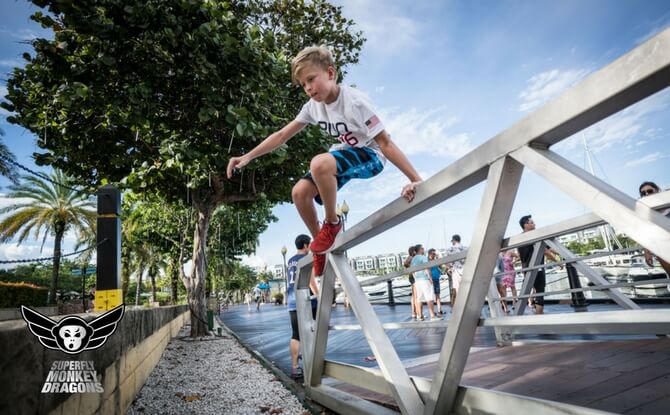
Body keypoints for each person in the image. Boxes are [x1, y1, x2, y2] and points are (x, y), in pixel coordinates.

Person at [227, 45, 422, 282]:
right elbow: (281, 136)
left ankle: (332, 222)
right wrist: (247, 156)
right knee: (299, 193)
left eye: (311, 79)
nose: (308, 88)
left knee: (319, 163)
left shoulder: (356, 102)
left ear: (330, 73)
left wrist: (415, 179)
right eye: (303, 84)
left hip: (371, 155)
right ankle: (319, 245)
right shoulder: (312, 107)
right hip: (345, 152)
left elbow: (386, 143)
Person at [286, 234, 319, 379]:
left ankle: (294, 368)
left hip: (292, 301)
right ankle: (311, 365)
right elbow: (310, 280)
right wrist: (319, 293)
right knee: (313, 330)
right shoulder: (306, 259)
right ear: (306, 245)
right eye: (309, 244)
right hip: (306, 299)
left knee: (296, 334)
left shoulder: (290, 261)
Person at [518, 215, 561, 315]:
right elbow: (546, 251)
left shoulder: (519, 239)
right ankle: (539, 316)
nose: (534, 224)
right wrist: (558, 261)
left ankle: (533, 311)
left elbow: (548, 249)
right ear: (526, 224)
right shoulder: (534, 237)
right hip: (537, 269)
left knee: (529, 293)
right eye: (532, 222)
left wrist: (558, 253)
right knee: (539, 293)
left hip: (527, 270)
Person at [638, 181, 670, 277]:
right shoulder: (647, 214)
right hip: (663, 250)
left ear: (657, 191)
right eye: (643, 193)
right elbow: (647, 233)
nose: (647, 194)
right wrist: (647, 251)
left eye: (649, 191)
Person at [411, 245, 440, 320]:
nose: (423, 249)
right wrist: (430, 278)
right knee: (429, 297)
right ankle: (432, 316)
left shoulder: (414, 259)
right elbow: (426, 268)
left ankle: (420, 316)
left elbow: (412, 271)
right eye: (422, 248)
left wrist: (415, 278)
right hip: (425, 279)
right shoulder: (423, 257)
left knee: (419, 298)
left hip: (417, 281)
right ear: (419, 250)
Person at [446, 235, 467, 306]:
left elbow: (448, 262)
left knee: (458, 290)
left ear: (454, 240)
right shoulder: (466, 248)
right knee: (466, 289)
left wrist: (449, 268)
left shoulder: (450, 249)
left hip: (456, 271)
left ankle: (461, 306)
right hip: (465, 270)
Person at [428, 249, 444, 315]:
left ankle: (439, 310)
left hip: (436, 279)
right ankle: (432, 312)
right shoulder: (427, 261)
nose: (434, 255)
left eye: (435, 254)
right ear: (429, 254)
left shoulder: (435, 260)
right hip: (431, 280)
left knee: (437, 294)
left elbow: (441, 267)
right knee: (431, 296)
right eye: (433, 254)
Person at [404, 245, 418, 319]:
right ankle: (415, 312)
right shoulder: (411, 257)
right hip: (413, 277)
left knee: (414, 295)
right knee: (415, 295)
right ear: (413, 251)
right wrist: (411, 267)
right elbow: (405, 263)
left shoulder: (412, 257)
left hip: (412, 276)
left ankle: (414, 312)